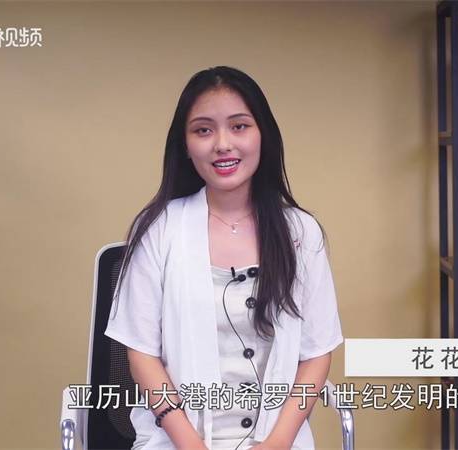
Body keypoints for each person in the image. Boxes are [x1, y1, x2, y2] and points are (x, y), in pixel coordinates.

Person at [104, 66, 344, 450]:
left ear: (263, 134)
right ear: (185, 145)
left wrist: (278, 442)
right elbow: (142, 356)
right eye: (203, 130)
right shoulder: (159, 229)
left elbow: (316, 355)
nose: (222, 144)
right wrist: (192, 446)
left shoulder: (301, 232)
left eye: (239, 126)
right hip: (180, 440)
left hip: (277, 440)